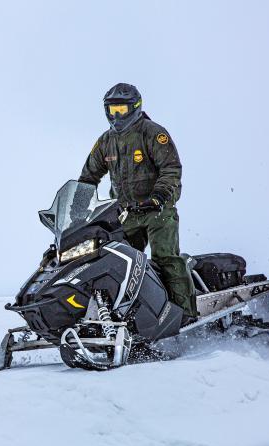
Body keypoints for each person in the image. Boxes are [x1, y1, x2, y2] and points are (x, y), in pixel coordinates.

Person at [78, 82, 197, 323]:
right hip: (124, 214)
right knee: (116, 263)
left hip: (157, 211)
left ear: (135, 107)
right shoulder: (105, 141)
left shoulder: (152, 133)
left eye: (121, 110)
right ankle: (129, 317)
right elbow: (88, 176)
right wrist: (78, 206)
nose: (116, 116)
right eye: (111, 110)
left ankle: (185, 317)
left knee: (166, 260)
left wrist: (159, 196)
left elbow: (171, 168)